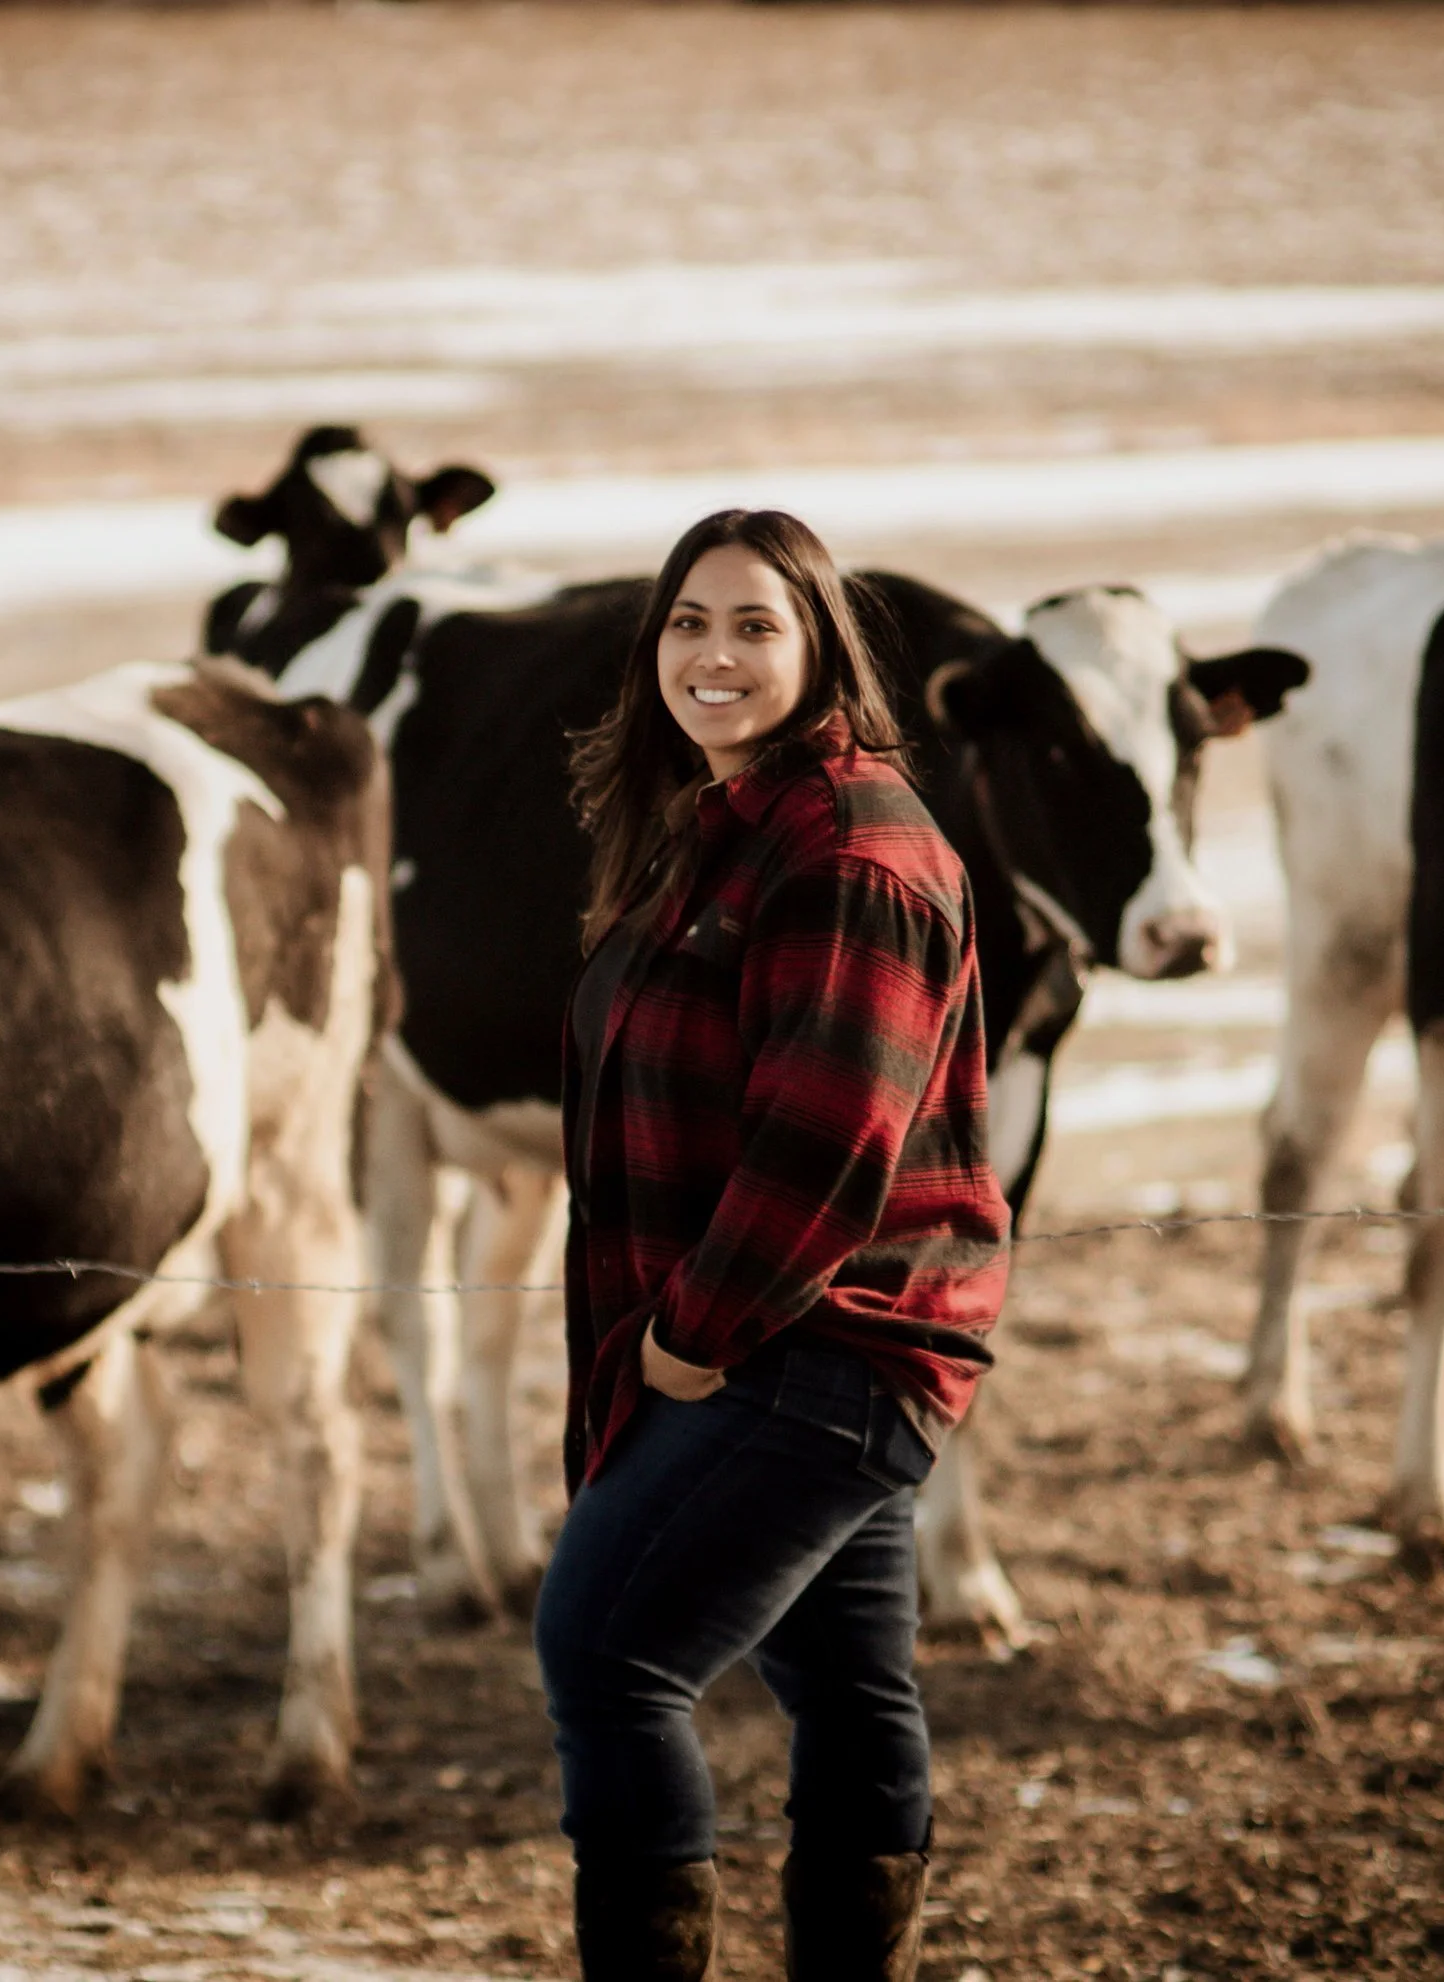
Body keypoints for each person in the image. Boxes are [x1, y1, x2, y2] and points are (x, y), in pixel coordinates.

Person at [536, 509, 1012, 1981]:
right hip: (812, 1344)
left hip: (809, 1348)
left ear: (820, 648)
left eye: (755, 624)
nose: (715, 654)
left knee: (606, 1653)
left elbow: (830, 1137)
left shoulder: (853, 849)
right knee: (849, 1687)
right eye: (688, 623)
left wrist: (689, 1335)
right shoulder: (725, 834)